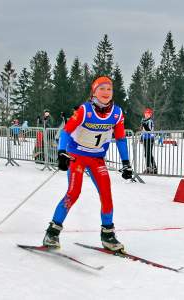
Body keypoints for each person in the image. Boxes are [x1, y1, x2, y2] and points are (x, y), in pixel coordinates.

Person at [42, 76, 133, 251]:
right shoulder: (85, 110)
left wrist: (126, 163)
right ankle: (52, 232)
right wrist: (62, 152)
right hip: (77, 157)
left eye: (109, 89)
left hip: (97, 158)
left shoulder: (117, 113)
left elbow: (121, 139)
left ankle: (108, 234)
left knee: (106, 194)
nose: (106, 93)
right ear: (94, 91)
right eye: (102, 89)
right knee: (73, 193)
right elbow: (66, 131)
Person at [140, 108, 157, 174]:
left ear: (150, 115)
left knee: (148, 154)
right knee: (147, 154)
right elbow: (142, 131)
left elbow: (149, 130)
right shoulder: (144, 120)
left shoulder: (150, 121)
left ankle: (150, 168)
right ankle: (152, 167)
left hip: (150, 138)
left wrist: (144, 124)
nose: (146, 115)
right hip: (145, 138)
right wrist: (141, 138)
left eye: (148, 114)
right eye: (146, 114)